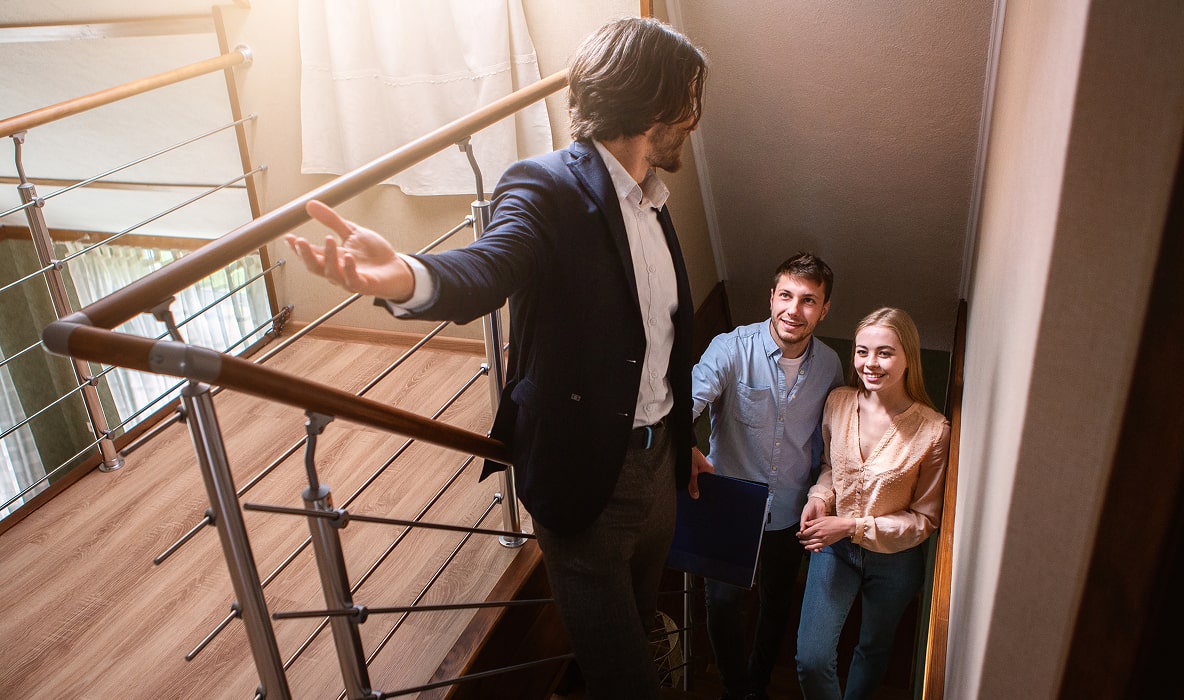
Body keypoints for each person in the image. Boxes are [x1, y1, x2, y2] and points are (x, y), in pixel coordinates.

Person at [285, 17, 708, 700]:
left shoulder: (652, 202)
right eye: (687, 98)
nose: (692, 118)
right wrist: (408, 278)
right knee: (625, 682)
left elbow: (661, 343)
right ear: (649, 100)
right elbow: (489, 265)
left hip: (660, 472)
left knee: (641, 623)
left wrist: (679, 442)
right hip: (586, 486)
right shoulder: (545, 186)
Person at [690, 253, 845, 700]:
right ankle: (735, 689)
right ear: (771, 296)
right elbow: (687, 400)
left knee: (777, 604)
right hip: (729, 506)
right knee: (722, 603)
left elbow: (833, 440)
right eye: (786, 296)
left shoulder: (831, 365)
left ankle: (757, 685)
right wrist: (683, 444)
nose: (794, 310)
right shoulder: (730, 348)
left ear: (824, 308)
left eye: (808, 300)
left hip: (792, 510)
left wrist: (823, 493)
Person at [795, 307, 950, 700]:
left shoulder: (934, 431)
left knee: (873, 650)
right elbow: (831, 466)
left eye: (885, 353)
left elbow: (924, 519)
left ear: (908, 357)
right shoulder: (838, 402)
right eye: (862, 351)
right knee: (811, 659)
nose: (870, 363)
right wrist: (819, 498)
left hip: (896, 561)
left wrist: (852, 525)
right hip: (835, 549)